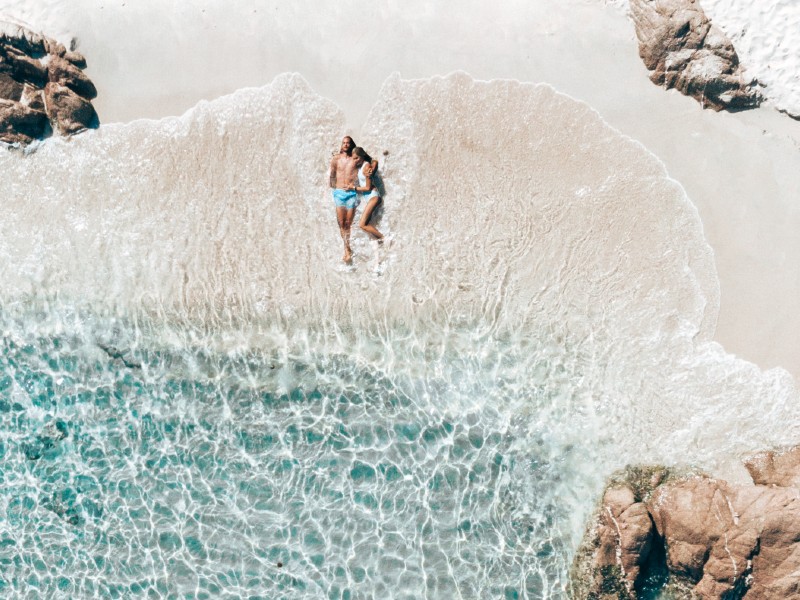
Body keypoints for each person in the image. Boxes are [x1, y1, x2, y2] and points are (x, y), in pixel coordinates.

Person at [328, 136, 360, 263]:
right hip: (339, 193)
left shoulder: (356, 159)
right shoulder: (336, 159)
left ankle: (348, 247)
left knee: (348, 223)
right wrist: (332, 189)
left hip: (352, 193)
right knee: (341, 223)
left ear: (351, 145)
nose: (346, 145)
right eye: (344, 143)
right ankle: (347, 248)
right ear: (341, 145)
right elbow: (332, 175)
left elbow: (370, 162)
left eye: (348, 143)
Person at [352, 147, 384, 242]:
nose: (354, 161)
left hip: (373, 197)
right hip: (370, 198)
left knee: (362, 224)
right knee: (367, 223)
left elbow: (368, 187)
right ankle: (380, 241)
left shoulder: (366, 167)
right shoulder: (362, 165)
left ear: (362, 156)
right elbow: (374, 161)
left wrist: (354, 188)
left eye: (356, 158)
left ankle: (384, 239)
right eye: (353, 158)